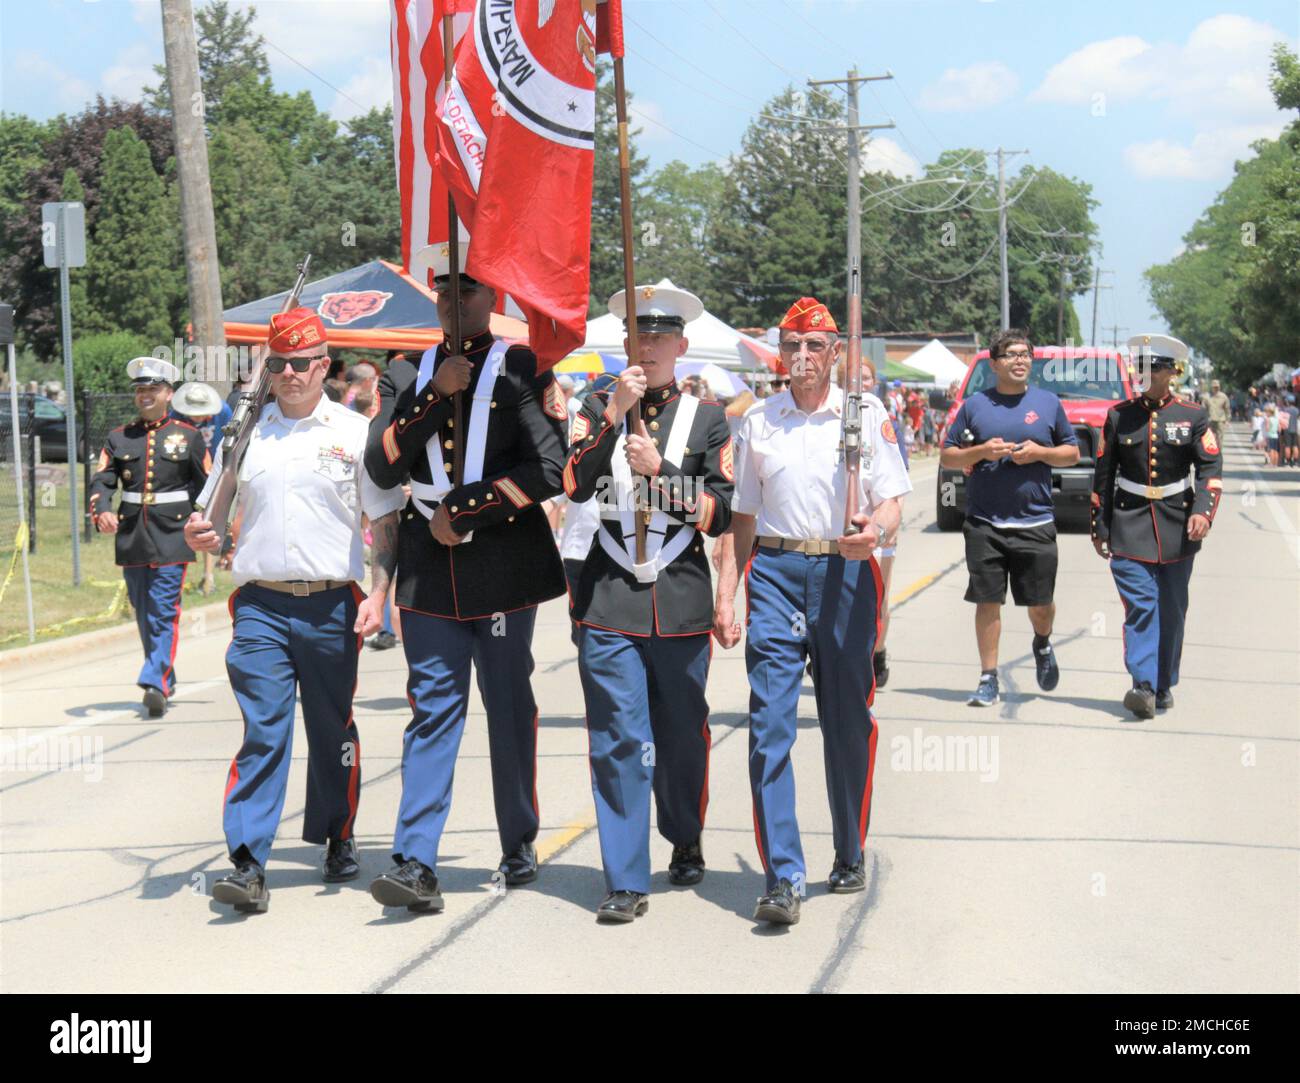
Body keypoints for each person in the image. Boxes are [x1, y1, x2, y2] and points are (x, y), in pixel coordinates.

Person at [363, 242, 568, 913]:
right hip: (427, 565)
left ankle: (517, 838)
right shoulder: (404, 371)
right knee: (431, 711)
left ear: (494, 298)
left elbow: (547, 468)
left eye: (468, 291)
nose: (455, 303)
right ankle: (415, 858)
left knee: (508, 708)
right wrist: (433, 393)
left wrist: (469, 510)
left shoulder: (519, 365)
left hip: (503, 560)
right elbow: (383, 464)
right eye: (444, 291)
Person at [185, 308, 405, 912]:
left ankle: (337, 832)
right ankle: (249, 861)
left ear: (323, 366)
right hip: (260, 605)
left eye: (300, 363)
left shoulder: (353, 433)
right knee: (264, 729)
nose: (289, 374)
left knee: (331, 729)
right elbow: (210, 514)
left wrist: (380, 598)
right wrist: (202, 534)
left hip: (333, 603)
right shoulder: (245, 432)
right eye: (278, 363)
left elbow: (384, 521)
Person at [714, 297, 910, 927]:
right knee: (770, 723)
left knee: (846, 720)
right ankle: (783, 876)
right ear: (780, 353)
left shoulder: (864, 415)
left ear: (834, 353)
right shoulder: (758, 423)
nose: (802, 358)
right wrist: (728, 591)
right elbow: (741, 517)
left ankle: (849, 848)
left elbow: (893, 504)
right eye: (792, 346)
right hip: (773, 571)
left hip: (846, 571)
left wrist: (871, 530)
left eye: (814, 347)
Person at [563, 284, 733, 923]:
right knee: (617, 737)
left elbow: (717, 515)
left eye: (663, 338)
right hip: (609, 593)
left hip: (680, 594)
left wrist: (662, 471)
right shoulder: (593, 404)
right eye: (641, 336)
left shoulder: (708, 419)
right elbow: (575, 484)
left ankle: (684, 832)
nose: (651, 347)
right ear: (625, 344)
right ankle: (626, 878)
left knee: (682, 735)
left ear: (682, 347)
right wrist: (614, 417)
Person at [939, 329, 1079, 707]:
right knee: (988, 601)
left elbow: (1071, 453)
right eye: (1012, 355)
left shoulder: (1048, 403)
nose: (1020, 361)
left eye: (1026, 355)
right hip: (985, 521)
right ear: (995, 362)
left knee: (1040, 604)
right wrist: (982, 451)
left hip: (1034, 522)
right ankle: (988, 677)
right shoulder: (974, 405)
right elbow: (948, 456)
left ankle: (1042, 642)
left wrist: (1039, 453)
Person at [1090, 334, 1222, 719]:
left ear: (1171, 372)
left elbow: (1210, 469)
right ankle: (1142, 685)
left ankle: (1163, 683)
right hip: (1129, 522)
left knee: (1172, 609)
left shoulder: (1193, 416)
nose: (1142, 375)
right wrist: (1100, 525)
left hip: (1178, 525)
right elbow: (1103, 473)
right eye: (1139, 368)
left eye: (1152, 369)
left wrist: (1203, 511)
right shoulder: (1118, 416)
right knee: (1141, 606)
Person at [89, 358, 210, 718]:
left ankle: (154, 679)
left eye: (153, 389)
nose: (145, 395)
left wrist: (214, 528)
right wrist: (102, 511)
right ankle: (164, 675)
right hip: (132, 535)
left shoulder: (187, 436)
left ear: (168, 394)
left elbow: (208, 486)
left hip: (174, 533)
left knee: (163, 609)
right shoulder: (118, 438)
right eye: (140, 390)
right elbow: (102, 480)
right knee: (144, 611)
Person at [171, 381, 232, 595]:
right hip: (186, 473)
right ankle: (176, 576)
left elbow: (230, 442)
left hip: (214, 472)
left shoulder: (223, 412)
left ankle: (209, 576)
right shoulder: (176, 416)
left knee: (210, 522)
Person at [1204, 381, 1230, 448]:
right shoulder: (1207, 397)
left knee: (1220, 438)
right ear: (1211, 387)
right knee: (1209, 438)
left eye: (1217, 387)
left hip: (1220, 420)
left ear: (1219, 387)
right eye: (1214, 387)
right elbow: (1203, 409)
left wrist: (1227, 419)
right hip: (1210, 420)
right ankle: (1211, 453)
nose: (1215, 388)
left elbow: (1227, 409)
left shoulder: (1223, 397)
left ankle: (1219, 453)